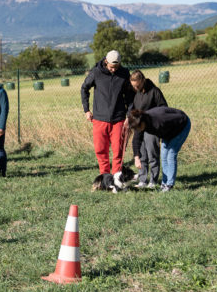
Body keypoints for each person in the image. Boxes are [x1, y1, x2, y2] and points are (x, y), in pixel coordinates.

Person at [80, 50, 134, 178]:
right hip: (99, 118)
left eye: (116, 67)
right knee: (101, 150)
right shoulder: (96, 72)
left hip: (119, 119)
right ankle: (104, 177)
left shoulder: (124, 73)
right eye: (111, 67)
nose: (114, 70)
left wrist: (129, 114)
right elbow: (84, 88)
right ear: (106, 62)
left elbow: (130, 95)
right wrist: (87, 110)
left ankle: (116, 178)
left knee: (118, 151)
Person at [127, 107, 190, 192]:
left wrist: (171, 136)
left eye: (137, 127)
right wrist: (136, 157)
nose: (137, 130)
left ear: (142, 122)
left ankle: (169, 185)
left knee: (171, 155)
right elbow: (136, 140)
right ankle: (164, 183)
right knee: (164, 156)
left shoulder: (159, 120)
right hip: (168, 132)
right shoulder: (139, 124)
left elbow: (181, 118)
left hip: (182, 126)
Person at [129, 70, 168, 188]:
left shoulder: (155, 91)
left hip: (152, 128)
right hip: (140, 127)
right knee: (142, 154)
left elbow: (163, 108)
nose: (136, 88)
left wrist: (151, 117)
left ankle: (153, 180)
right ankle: (142, 180)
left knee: (152, 154)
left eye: (137, 85)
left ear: (143, 80)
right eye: (134, 86)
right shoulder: (137, 94)